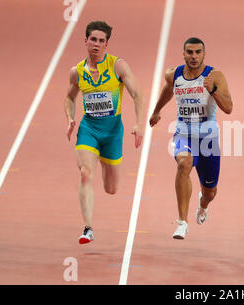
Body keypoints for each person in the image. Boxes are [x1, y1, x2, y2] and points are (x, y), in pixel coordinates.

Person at [64, 21, 144, 244]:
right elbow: (69, 97)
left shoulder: (118, 66)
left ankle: (102, 159)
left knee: (111, 189)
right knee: (85, 173)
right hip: (89, 129)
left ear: (106, 44)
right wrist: (70, 118)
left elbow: (137, 94)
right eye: (93, 40)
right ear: (86, 41)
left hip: (112, 133)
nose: (96, 44)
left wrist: (139, 124)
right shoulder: (77, 72)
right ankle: (87, 228)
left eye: (101, 41)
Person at [149, 37, 233, 239]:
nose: (194, 56)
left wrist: (213, 90)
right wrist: (156, 111)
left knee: (210, 192)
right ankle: (182, 222)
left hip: (208, 139)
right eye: (190, 52)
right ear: (183, 54)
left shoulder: (215, 76)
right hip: (184, 133)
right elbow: (167, 91)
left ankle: (203, 205)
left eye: (198, 52)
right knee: (183, 164)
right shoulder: (173, 75)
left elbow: (229, 108)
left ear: (204, 54)